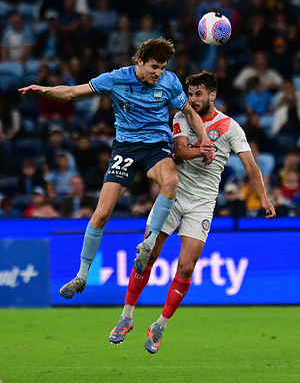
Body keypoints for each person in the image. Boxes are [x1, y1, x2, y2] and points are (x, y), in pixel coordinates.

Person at [19, 38, 214, 299]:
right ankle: (82, 275)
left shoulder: (170, 82)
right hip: (126, 149)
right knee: (101, 213)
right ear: (140, 62)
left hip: (156, 147)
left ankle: (148, 244)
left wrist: (204, 138)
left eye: (163, 67)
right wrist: (44, 91)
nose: (158, 72)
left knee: (170, 182)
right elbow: (72, 93)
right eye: (154, 66)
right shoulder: (116, 79)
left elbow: (189, 113)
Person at [108, 71, 276, 354]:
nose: (192, 99)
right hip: (172, 197)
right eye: (190, 94)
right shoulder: (182, 118)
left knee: (186, 267)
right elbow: (179, 151)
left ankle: (159, 326)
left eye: (198, 94)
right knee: (147, 254)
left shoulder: (230, 127)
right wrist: (202, 149)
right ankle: (126, 317)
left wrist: (264, 198)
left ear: (212, 95)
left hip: (202, 203)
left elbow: (250, 166)